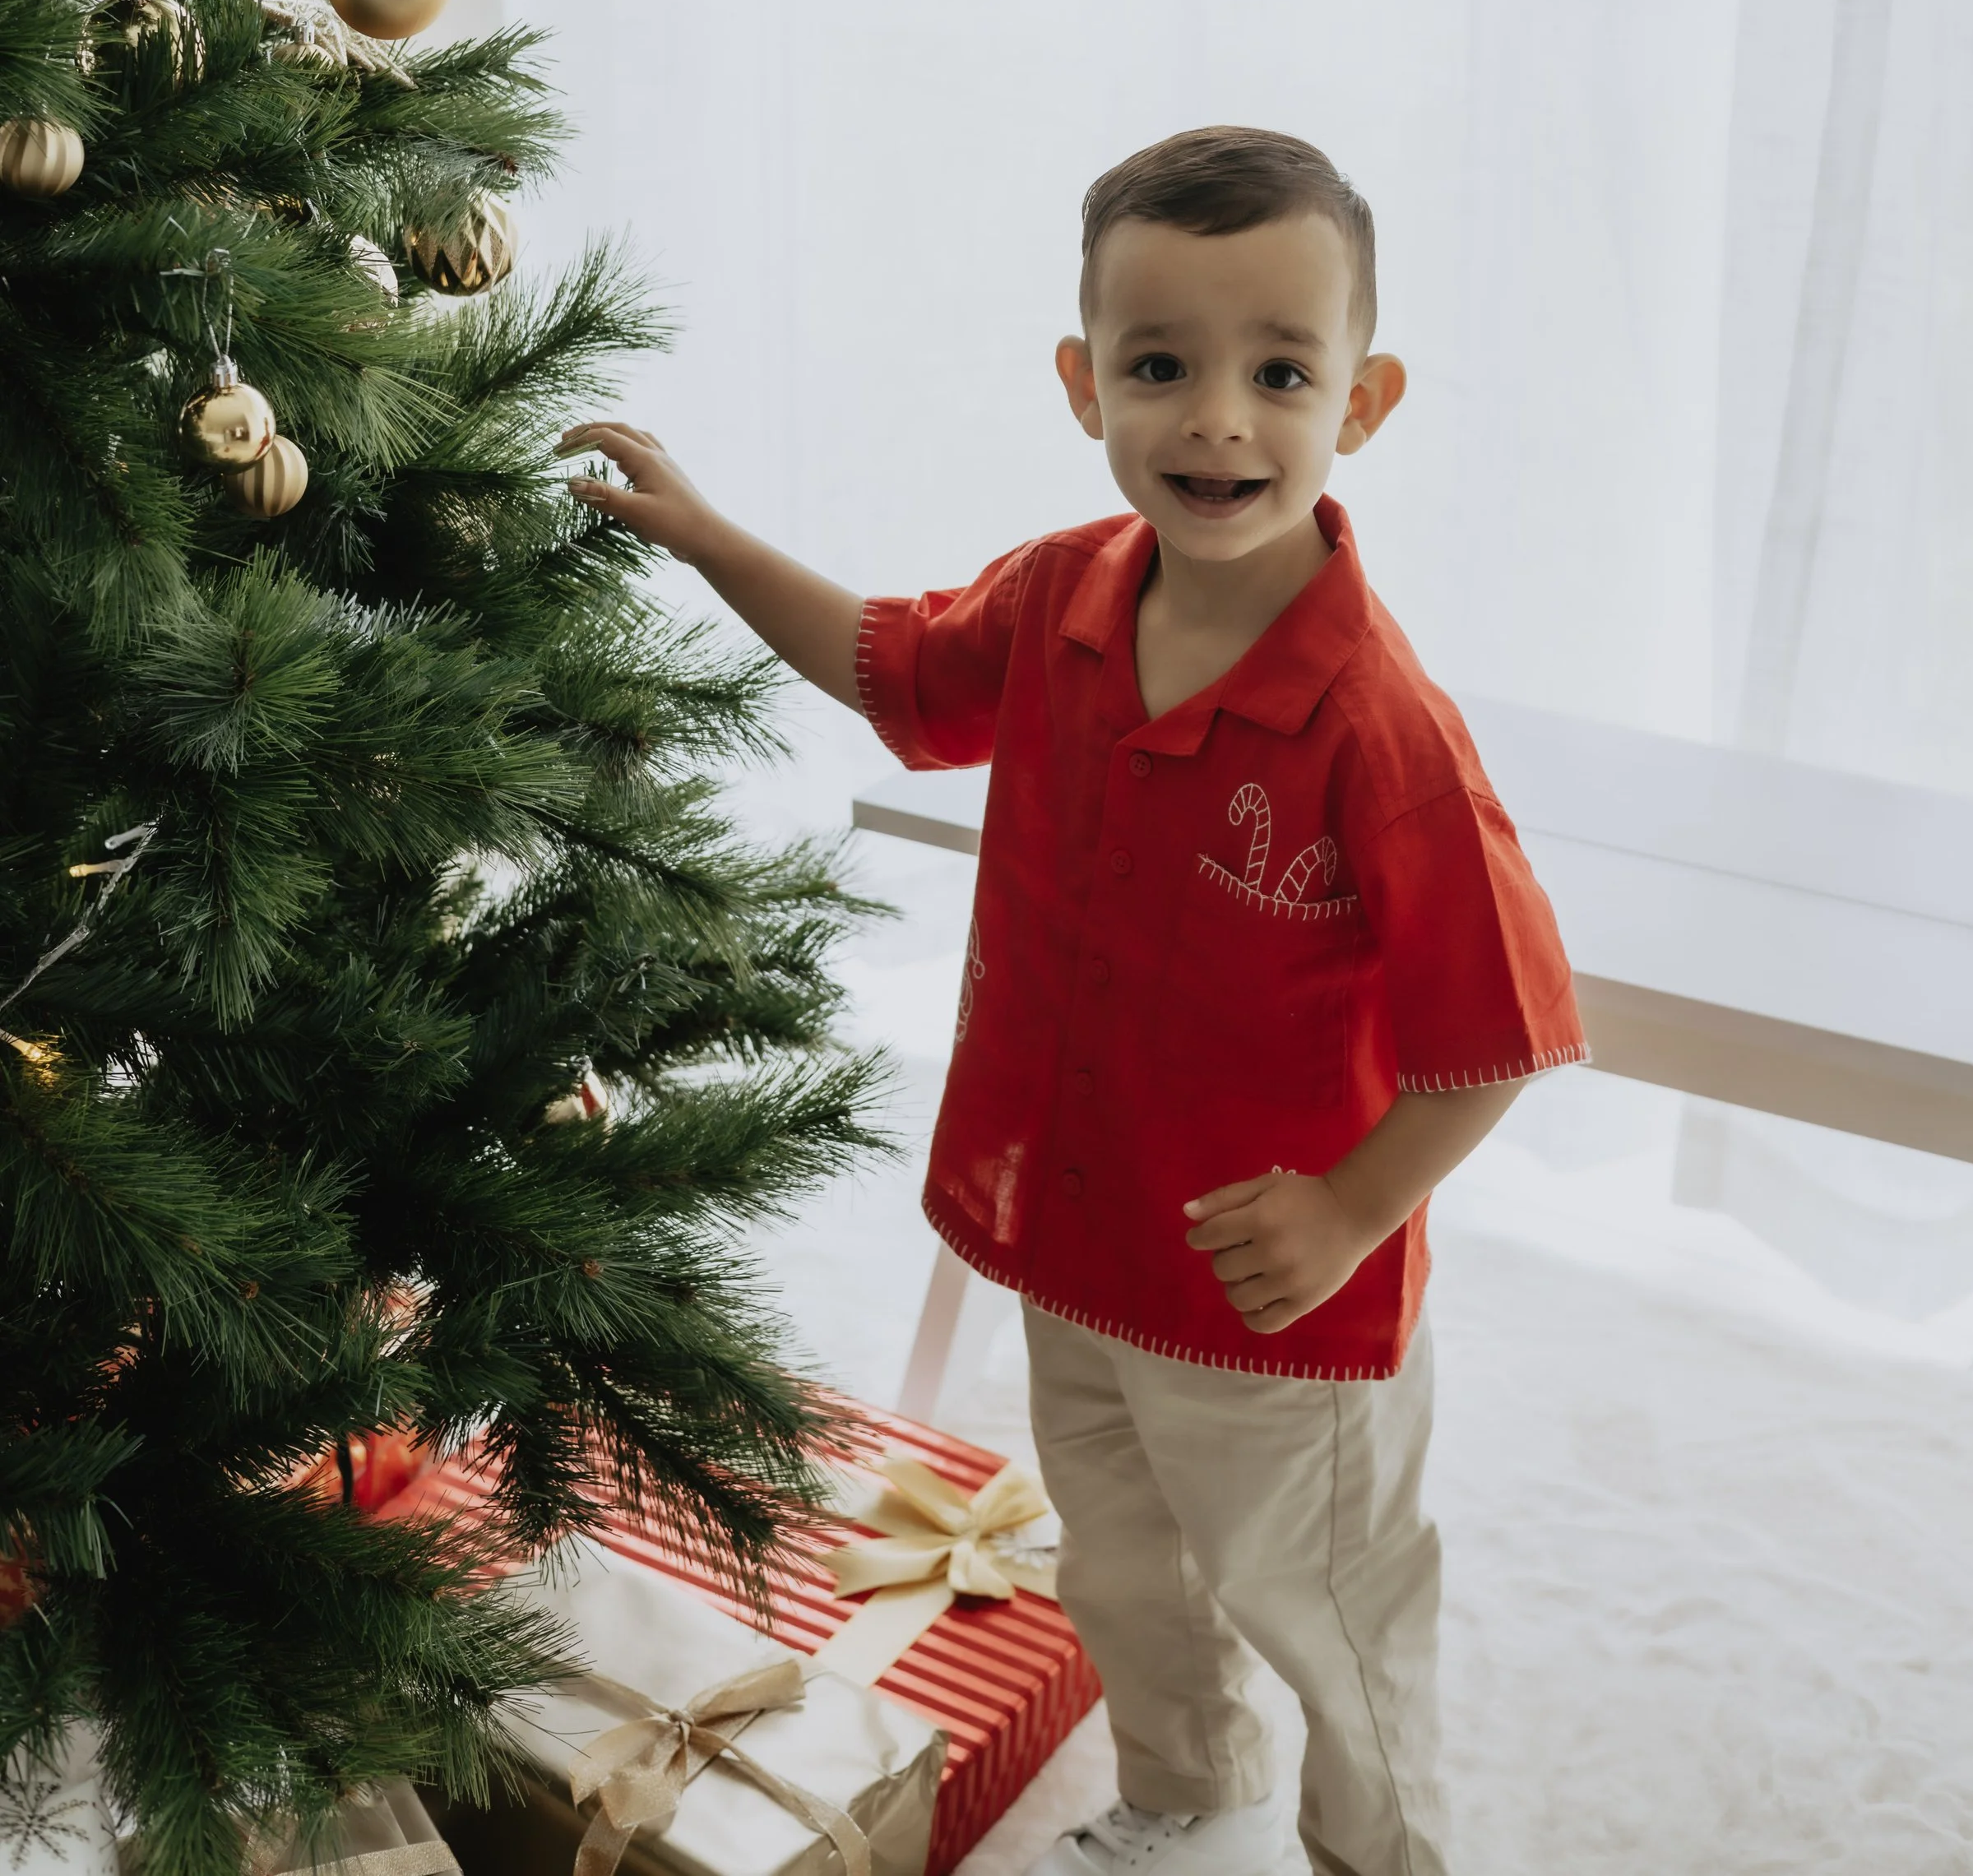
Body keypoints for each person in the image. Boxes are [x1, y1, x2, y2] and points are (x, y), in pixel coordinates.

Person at [558, 126, 1586, 1876]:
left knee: (1327, 1607)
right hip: (1078, 1237)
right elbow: (890, 663)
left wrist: (1353, 1206)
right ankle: (1191, 1798)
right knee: (1119, 1564)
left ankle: (1380, 1853)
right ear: (1082, 379)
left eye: (1280, 373)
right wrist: (710, 537)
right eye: (1160, 365)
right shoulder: (1060, 598)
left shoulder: (1377, 727)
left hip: (1273, 1301)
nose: (1217, 420)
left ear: (1362, 400)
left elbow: (1502, 1029)